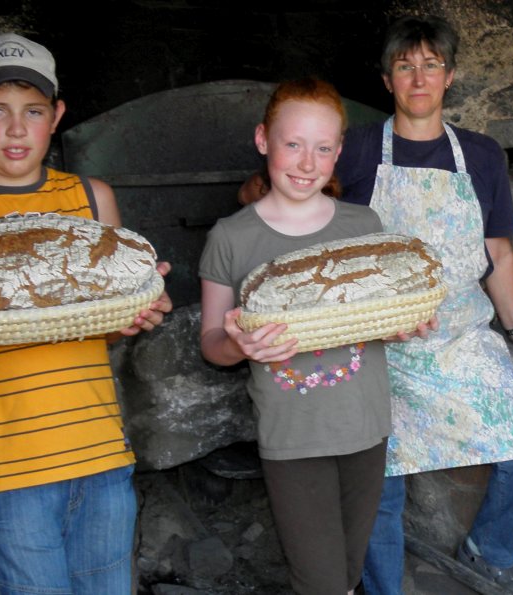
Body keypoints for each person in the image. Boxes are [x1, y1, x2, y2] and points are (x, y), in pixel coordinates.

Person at [242, 15, 513, 594]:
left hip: (461, 337)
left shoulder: (483, 155)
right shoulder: (358, 147)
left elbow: (498, 251)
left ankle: (486, 552)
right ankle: (385, 589)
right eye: (405, 66)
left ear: (450, 76)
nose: (419, 78)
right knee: (379, 490)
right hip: (375, 345)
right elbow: (301, 196)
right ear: (388, 79)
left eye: (431, 65)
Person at [0, 33, 172, 593]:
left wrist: (134, 315)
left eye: (33, 111)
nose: (17, 129)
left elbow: (104, 328)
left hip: (98, 453)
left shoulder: (92, 202)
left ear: (57, 115)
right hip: (2, 467)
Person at [200, 78, 402, 595]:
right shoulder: (231, 237)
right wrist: (238, 345)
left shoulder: (365, 224)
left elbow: (386, 319)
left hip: (366, 426)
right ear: (263, 139)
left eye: (323, 148)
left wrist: (406, 324)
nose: (307, 163)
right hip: (293, 437)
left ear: (339, 153)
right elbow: (211, 344)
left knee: (349, 572)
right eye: (293, 144)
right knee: (320, 583)